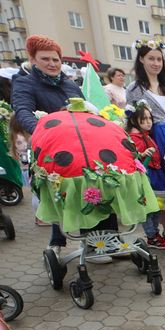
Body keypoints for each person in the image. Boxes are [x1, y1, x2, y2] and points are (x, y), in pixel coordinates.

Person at [11, 35, 112, 262]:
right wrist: (42, 130)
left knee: (88, 189)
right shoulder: (25, 83)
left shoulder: (69, 84)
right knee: (57, 194)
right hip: (50, 147)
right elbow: (23, 111)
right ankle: (57, 242)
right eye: (45, 59)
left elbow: (87, 112)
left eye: (55, 59)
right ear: (33, 60)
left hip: (81, 147)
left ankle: (93, 241)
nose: (52, 64)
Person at [126, 39, 165, 235]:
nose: (156, 63)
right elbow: (133, 119)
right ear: (141, 59)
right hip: (154, 138)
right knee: (160, 183)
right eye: (151, 59)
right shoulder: (134, 88)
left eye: (159, 59)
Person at [126, 102, 165, 249]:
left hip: (155, 174)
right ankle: (151, 236)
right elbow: (133, 157)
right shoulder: (134, 138)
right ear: (134, 120)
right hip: (147, 176)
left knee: (156, 206)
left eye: (149, 118)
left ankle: (155, 234)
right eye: (143, 119)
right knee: (148, 208)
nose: (148, 122)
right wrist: (142, 154)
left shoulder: (147, 136)